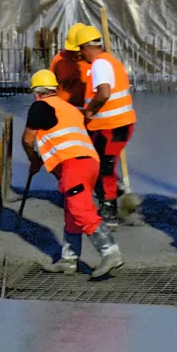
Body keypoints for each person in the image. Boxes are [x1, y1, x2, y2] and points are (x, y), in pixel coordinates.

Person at [21, 69, 124, 278]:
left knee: (80, 209)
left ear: (37, 92)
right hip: (90, 163)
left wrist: (34, 160)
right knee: (72, 212)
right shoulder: (69, 108)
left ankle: (110, 252)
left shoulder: (41, 106)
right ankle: (68, 260)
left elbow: (27, 140)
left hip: (73, 165)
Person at [75, 25, 136, 228]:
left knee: (104, 168)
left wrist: (89, 111)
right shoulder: (110, 61)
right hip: (119, 124)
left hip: (112, 126)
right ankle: (115, 193)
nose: (80, 55)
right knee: (104, 165)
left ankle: (109, 212)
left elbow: (103, 93)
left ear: (86, 47)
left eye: (80, 49)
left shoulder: (100, 64)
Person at [48, 23, 88, 109]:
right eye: (74, 50)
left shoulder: (97, 62)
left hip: (88, 109)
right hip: (63, 109)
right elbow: (49, 87)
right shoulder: (59, 59)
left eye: (79, 50)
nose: (77, 53)